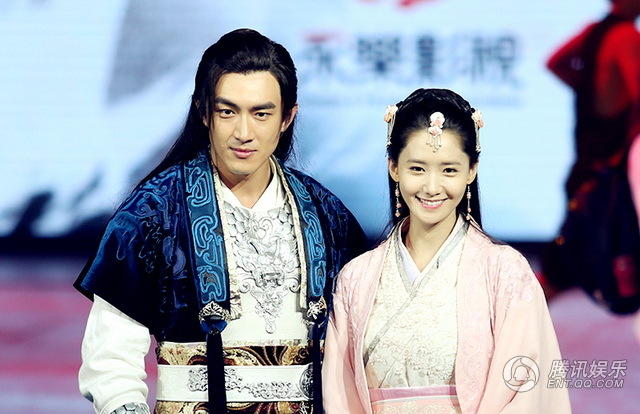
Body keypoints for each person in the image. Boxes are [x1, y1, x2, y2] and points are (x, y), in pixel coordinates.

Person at [75, 28, 365, 414]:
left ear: (287, 118)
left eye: (261, 114)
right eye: (227, 111)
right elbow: (110, 362)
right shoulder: (154, 212)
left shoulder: (327, 215)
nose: (243, 133)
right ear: (203, 111)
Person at [322, 88, 572, 413]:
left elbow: (526, 387)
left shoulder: (505, 272)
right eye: (417, 169)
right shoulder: (357, 278)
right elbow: (340, 394)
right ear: (393, 167)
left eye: (449, 170)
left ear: (472, 170)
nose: (432, 187)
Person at [544, 0, 640, 312]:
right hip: (611, 158)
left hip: (588, 150)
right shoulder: (626, 36)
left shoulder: (594, 31)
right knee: (607, 236)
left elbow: (555, 62)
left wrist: (588, 90)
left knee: (576, 238)